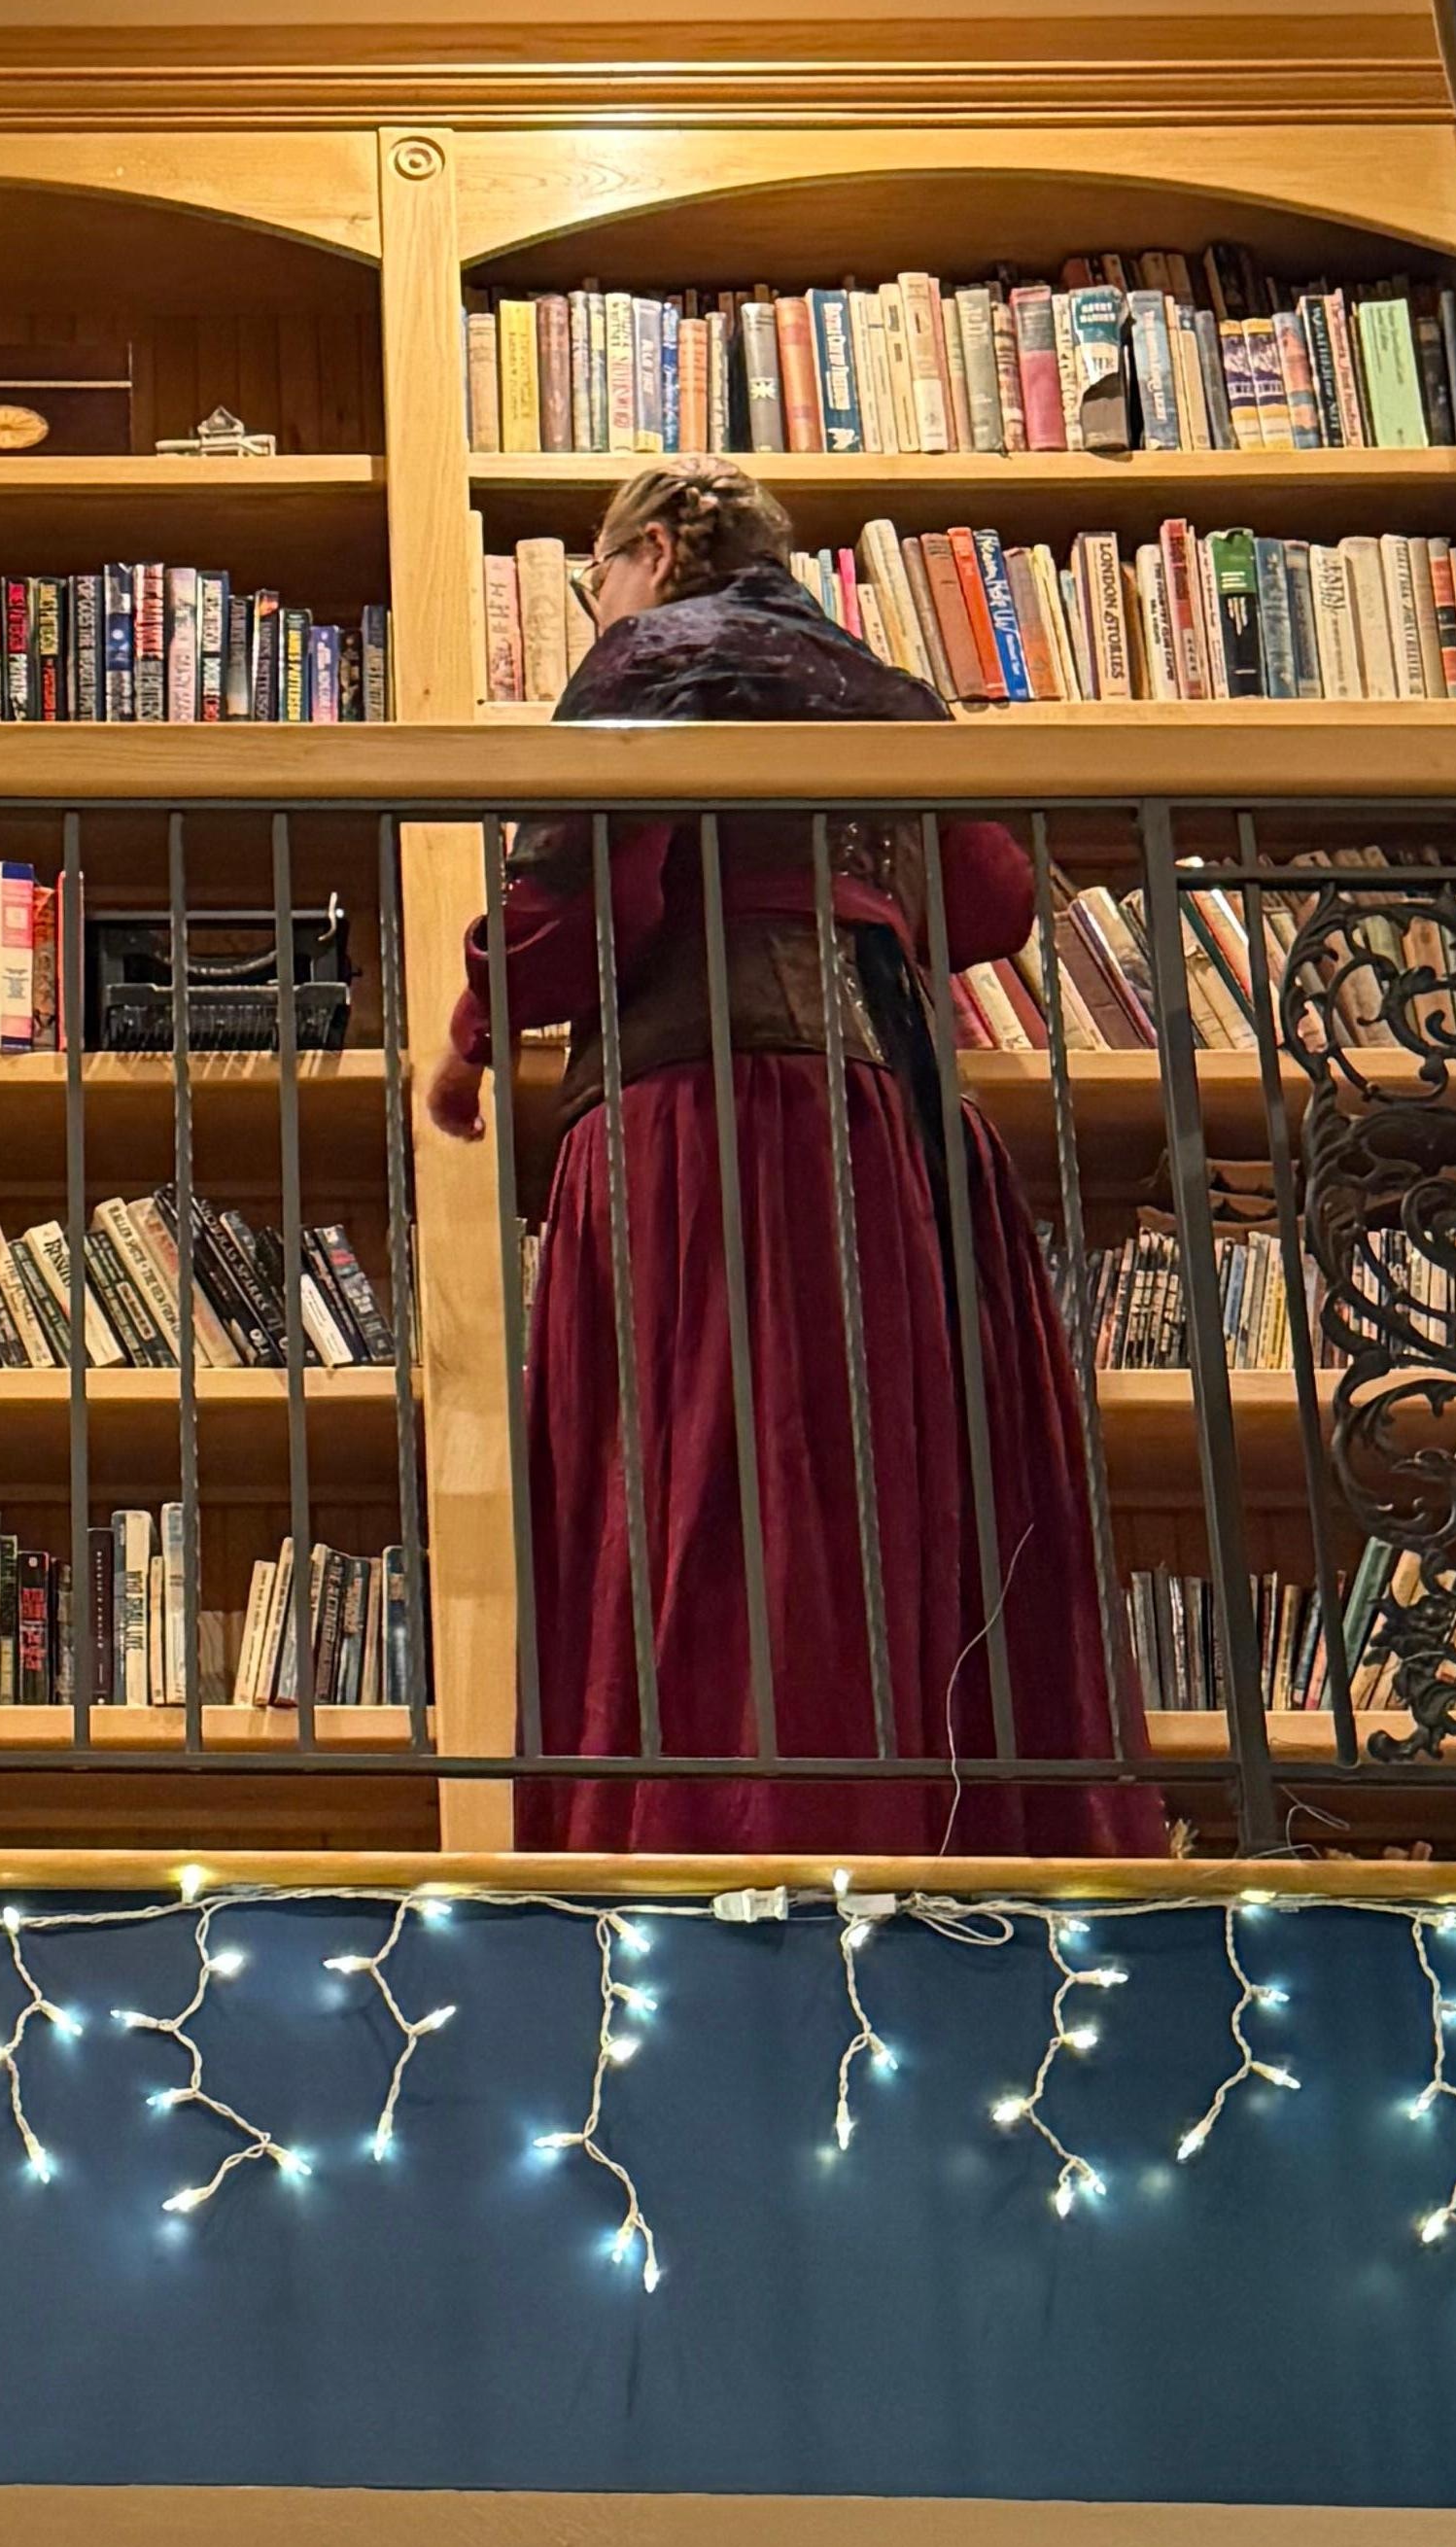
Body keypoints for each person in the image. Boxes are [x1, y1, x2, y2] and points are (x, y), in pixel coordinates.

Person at [425, 457, 1162, 1862]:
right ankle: (928, 1861)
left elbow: (575, 912)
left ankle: (709, 1863)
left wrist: (471, 1037)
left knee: (710, 1493)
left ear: (647, 550)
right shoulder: (873, 680)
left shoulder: (651, 657)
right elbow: (991, 903)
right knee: (877, 1489)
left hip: (705, 1130)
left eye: (596, 579)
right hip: (892, 1133)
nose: (597, 607)